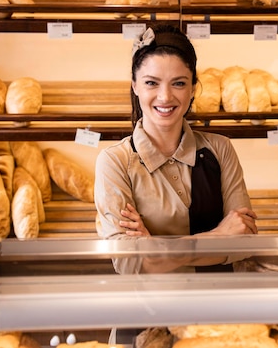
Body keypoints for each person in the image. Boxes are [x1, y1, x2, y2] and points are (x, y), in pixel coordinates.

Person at [94, 24, 258, 275]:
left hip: (218, 303)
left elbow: (245, 243)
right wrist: (219, 236)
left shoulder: (220, 149)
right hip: (152, 309)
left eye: (179, 83)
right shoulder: (115, 161)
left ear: (193, 88)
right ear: (135, 86)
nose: (165, 96)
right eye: (152, 83)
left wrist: (154, 249)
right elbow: (130, 262)